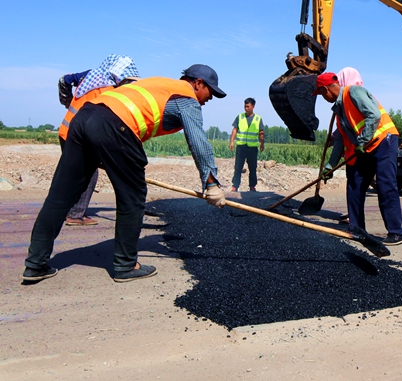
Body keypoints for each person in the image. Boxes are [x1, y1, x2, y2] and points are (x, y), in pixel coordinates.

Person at [23, 64, 228, 284]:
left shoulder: (158, 83)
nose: (210, 99)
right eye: (210, 92)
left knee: (60, 196)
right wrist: (211, 184)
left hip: (85, 118)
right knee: (133, 197)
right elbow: (198, 140)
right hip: (116, 125)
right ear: (197, 83)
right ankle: (126, 265)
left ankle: (35, 264)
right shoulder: (186, 96)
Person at [315, 72, 402, 246]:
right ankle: (357, 229)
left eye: (321, 94)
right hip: (364, 148)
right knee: (354, 184)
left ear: (326, 89)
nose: (322, 97)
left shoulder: (354, 92)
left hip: (383, 141)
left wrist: (362, 141)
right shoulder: (339, 110)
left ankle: (396, 233)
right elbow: (341, 140)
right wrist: (329, 166)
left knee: (386, 186)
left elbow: (373, 115)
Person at [57, 55, 140, 226]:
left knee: (72, 172)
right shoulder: (109, 91)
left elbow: (63, 80)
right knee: (88, 174)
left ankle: (62, 207)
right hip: (80, 136)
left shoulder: (89, 77)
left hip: (67, 132)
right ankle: (75, 215)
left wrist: (66, 100)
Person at [228, 97, 265, 192]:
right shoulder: (240, 117)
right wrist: (231, 141)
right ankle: (235, 186)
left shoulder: (258, 119)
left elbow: (261, 132)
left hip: (252, 148)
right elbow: (235, 129)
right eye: (245, 106)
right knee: (238, 167)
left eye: (248, 106)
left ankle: (252, 186)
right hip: (241, 147)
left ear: (253, 106)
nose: (246, 108)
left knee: (253, 168)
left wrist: (262, 143)